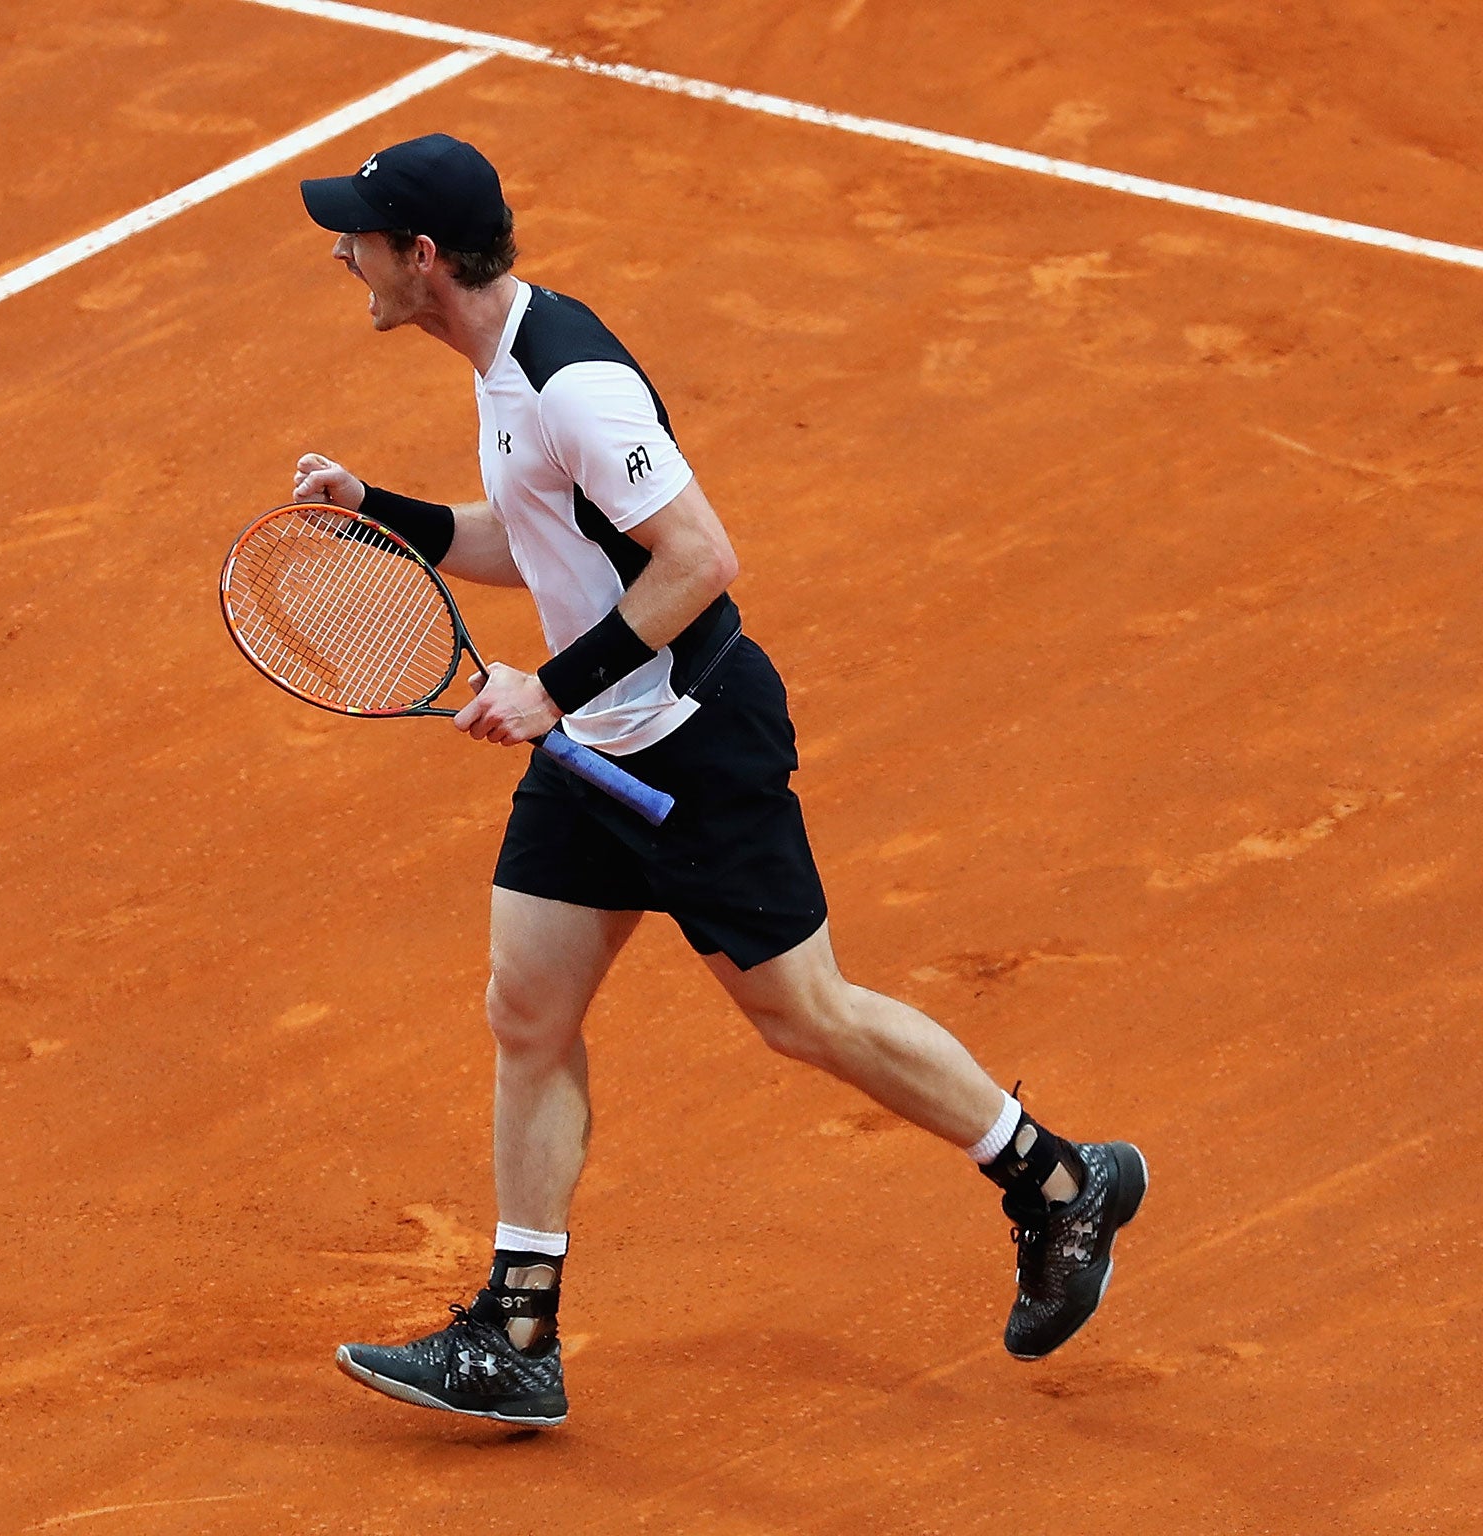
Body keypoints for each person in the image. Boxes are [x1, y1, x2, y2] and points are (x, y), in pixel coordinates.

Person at [292, 133, 1146, 1427]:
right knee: (526, 1011)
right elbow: (533, 544)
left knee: (806, 1017)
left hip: (692, 743)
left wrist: (549, 693)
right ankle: (519, 1329)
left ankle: (1058, 1184)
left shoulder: (571, 382)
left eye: (357, 231)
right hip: (593, 753)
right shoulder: (498, 368)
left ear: (422, 257)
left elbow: (699, 557)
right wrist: (383, 510)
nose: (340, 248)